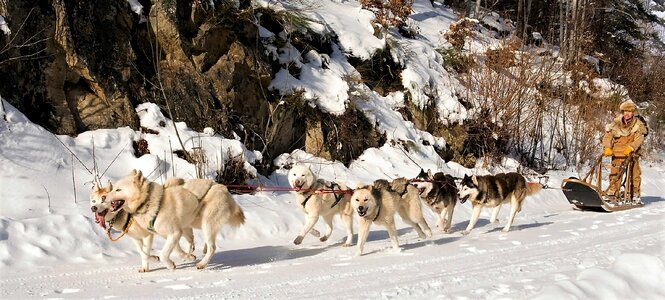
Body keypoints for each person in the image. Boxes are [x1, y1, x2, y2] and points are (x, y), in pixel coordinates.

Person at [601, 100, 647, 204]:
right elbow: (607, 137)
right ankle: (613, 193)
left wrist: (631, 147)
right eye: (625, 111)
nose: (627, 113)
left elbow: (639, 139)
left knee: (634, 175)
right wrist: (607, 147)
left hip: (632, 154)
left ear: (633, 113)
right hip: (617, 153)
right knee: (615, 174)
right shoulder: (616, 123)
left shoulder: (638, 125)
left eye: (629, 111)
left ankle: (635, 195)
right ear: (622, 112)